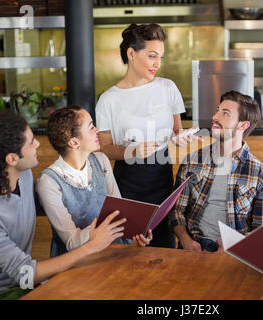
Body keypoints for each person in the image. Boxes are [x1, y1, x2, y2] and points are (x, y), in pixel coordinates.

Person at [0, 112, 126, 300]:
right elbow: (26, 273)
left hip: (21, 286)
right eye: (31, 142)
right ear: (11, 159)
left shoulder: (23, 176)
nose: (38, 144)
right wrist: (91, 246)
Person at [95, 23, 198, 248]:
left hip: (162, 181)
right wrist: (132, 151)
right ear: (131, 53)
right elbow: (104, 148)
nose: (157, 63)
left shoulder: (168, 88)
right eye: (152, 56)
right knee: (128, 254)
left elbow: (176, 130)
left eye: (160, 56)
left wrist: (181, 136)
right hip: (126, 186)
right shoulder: (108, 100)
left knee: (164, 251)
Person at [36, 105, 152, 257]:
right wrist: (104, 226)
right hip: (76, 264)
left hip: (114, 253)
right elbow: (71, 242)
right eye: (91, 127)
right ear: (74, 142)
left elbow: (119, 211)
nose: (97, 130)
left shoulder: (101, 160)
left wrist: (134, 233)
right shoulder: (48, 181)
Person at [168, 91, 263, 252]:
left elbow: (262, 231)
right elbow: (176, 211)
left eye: (225, 113)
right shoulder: (192, 162)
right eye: (217, 110)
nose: (215, 117)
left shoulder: (260, 175)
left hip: (236, 255)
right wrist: (186, 240)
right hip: (191, 248)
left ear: (243, 125)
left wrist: (234, 251)